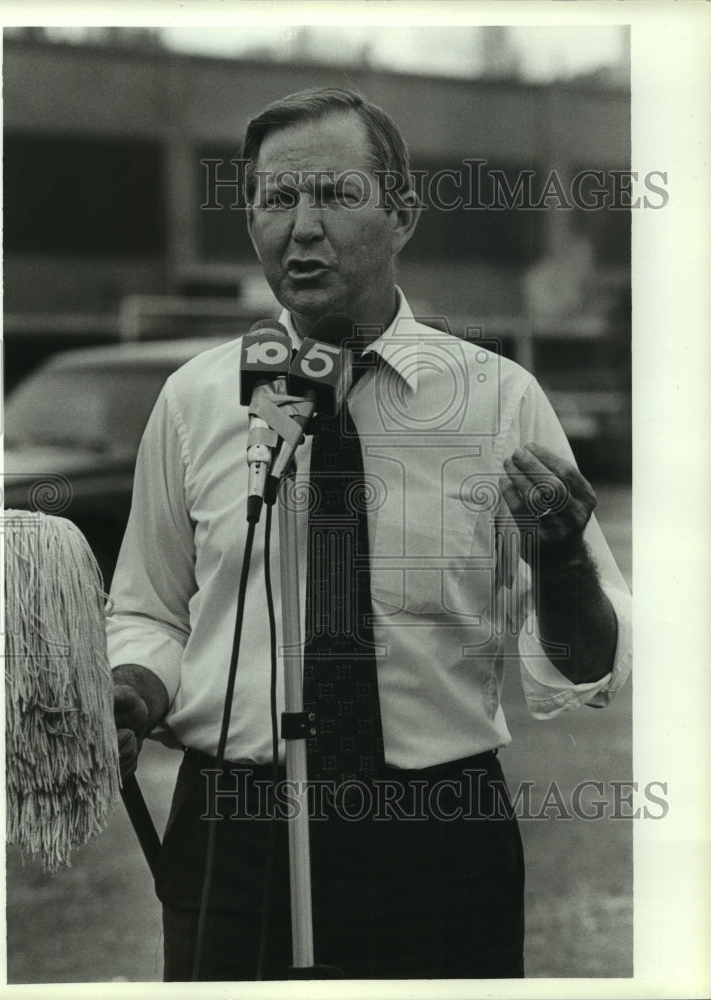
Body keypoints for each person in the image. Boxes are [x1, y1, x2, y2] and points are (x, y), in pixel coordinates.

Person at [108, 87, 632, 981]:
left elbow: (585, 670)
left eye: (337, 195)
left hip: (437, 834)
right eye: (277, 199)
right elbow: (151, 611)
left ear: (402, 213)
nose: (302, 228)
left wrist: (565, 562)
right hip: (233, 831)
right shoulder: (198, 400)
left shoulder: (500, 401)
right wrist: (132, 690)